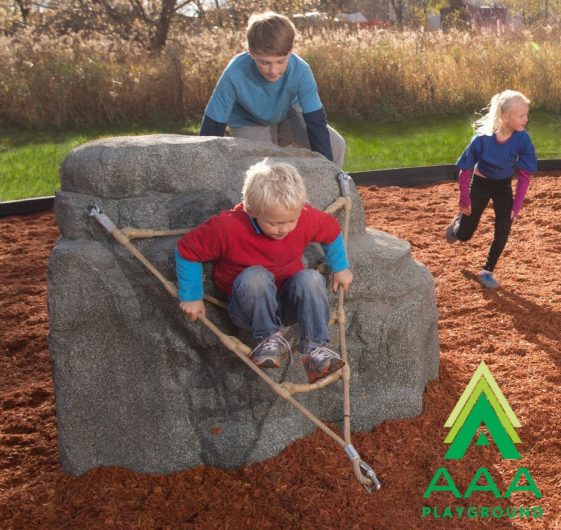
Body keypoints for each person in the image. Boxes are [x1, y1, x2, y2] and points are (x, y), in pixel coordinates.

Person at [176, 159, 353, 383]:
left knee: (311, 278)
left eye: (291, 220)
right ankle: (268, 340)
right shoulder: (227, 227)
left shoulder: (305, 217)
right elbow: (188, 250)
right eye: (274, 223)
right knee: (255, 276)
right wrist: (191, 295)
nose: (284, 229)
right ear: (252, 210)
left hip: (287, 304)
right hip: (248, 308)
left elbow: (331, 231)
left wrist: (340, 267)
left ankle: (315, 351)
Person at [199, 11, 346, 168]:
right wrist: (205, 166)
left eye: (281, 61)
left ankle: (323, 189)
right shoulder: (234, 72)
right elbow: (212, 125)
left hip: (288, 115)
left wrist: (327, 170)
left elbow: (315, 121)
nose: (273, 71)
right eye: (265, 62)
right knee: (263, 170)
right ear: (251, 52)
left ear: (291, 50)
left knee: (336, 146)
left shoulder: (301, 70)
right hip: (248, 121)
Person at [444, 89, 538, 289]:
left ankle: (487, 271)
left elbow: (524, 175)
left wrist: (517, 205)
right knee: (464, 235)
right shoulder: (482, 138)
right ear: (505, 116)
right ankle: (456, 227)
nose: (526, 119)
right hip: (480, 184)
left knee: (504, 227)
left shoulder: (523, 139)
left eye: (526, 114)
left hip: (503, 186)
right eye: (521, 115)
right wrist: (464, 199)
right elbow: (466, 169)